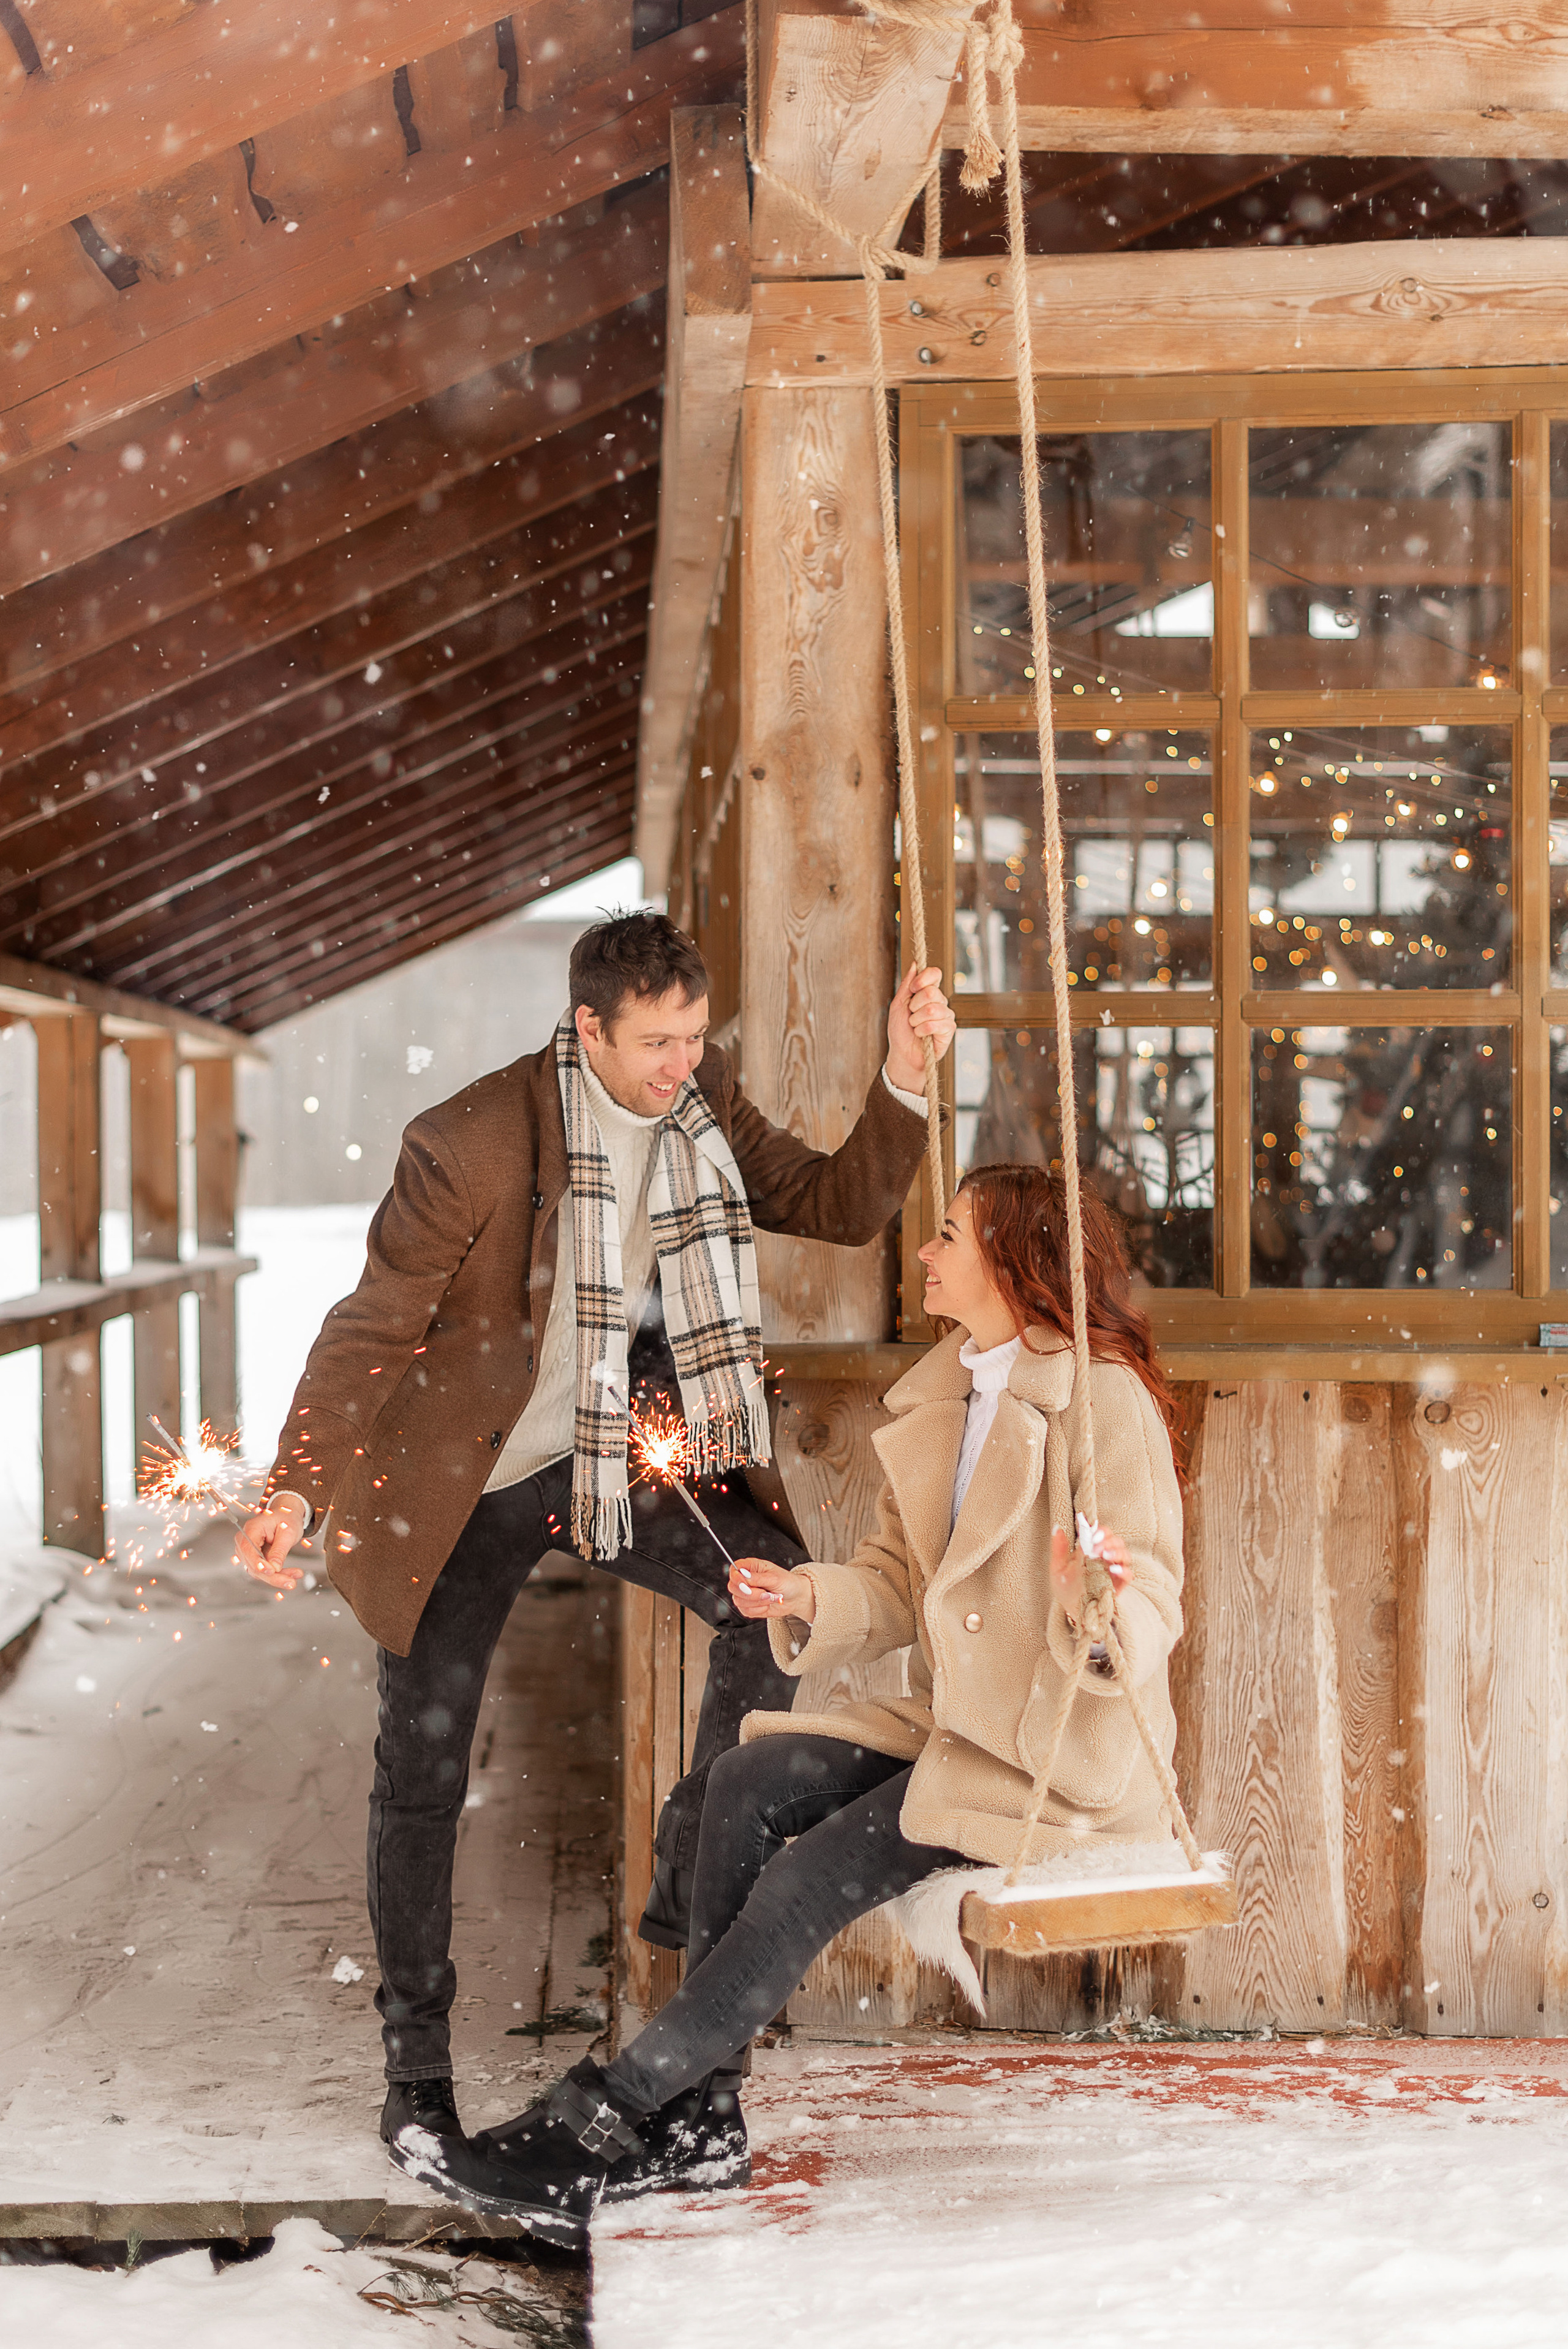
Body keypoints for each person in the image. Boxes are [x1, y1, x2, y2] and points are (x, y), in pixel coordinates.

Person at [232, 910, 955, 2179]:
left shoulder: (700, 1100)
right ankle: (415, 2080)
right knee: (424, 1769)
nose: (683, 1063)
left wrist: (902, 1071)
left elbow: (836, 1207)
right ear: (587, 1030)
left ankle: (690, 1865)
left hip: (613, 1450)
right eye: (657, 1043)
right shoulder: (467, 1144)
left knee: (765, 1603)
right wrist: (296, 1487)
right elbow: (371, 1327)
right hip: (465, 1477)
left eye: (695, 1037)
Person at [420, 1159, 1187, 2238]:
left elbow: (1152, 1598)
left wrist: (1093, 1603)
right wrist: (802, 1593)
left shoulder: (1102, 1402)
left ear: (1017, 1263)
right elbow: (891, 1580)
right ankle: (704, 2122)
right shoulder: (951, 1391)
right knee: (744, 1779)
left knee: (807, 1876)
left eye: (952, 1235)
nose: (926, 1252)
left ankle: (603, 2118)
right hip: (957, 1733)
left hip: (1050, 1765)